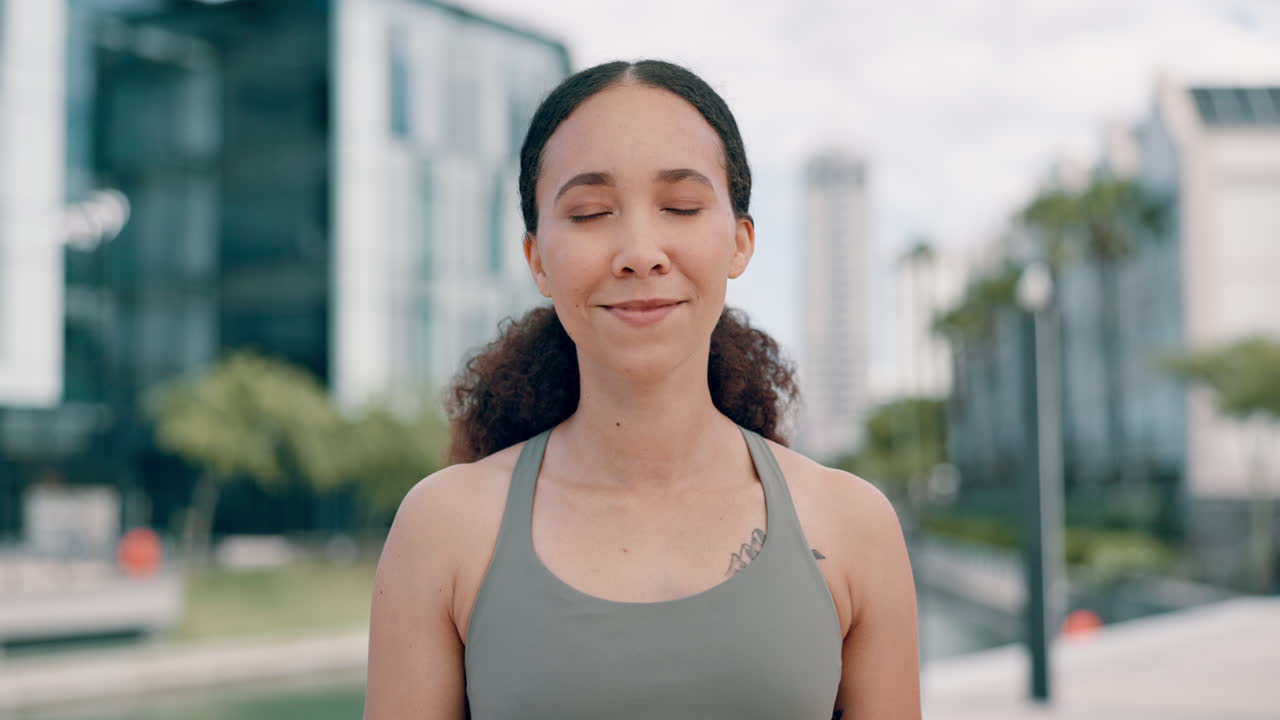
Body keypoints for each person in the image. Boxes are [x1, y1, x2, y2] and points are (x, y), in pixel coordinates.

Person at [364, 59, 920, 720]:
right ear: (537, 257)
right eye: (592, 212)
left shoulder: (853, 526)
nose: (639, 250)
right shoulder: (443, 529)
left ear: (739, 243)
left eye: (681, 206)